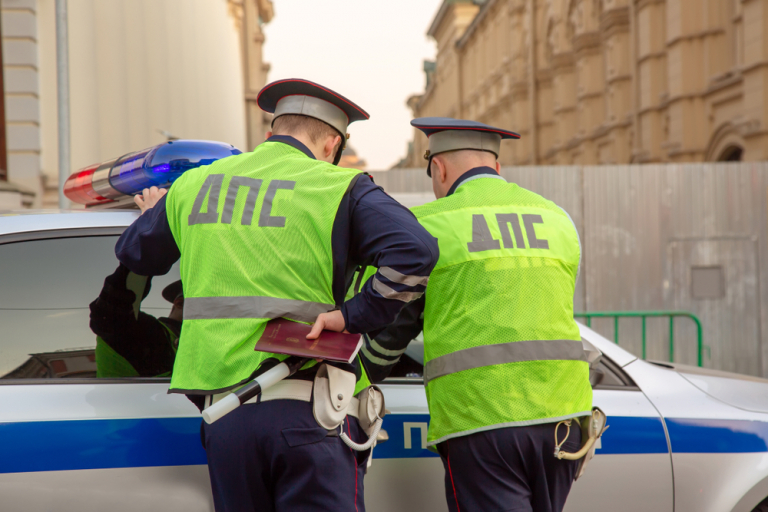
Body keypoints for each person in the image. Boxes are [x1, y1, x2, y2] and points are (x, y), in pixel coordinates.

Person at [114, 79, 438, 512]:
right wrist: (352, 316)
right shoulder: (336, 187)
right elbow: (416, 252)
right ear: (330, 145)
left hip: (224, 416)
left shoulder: (193, 186)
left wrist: (154, 213)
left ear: (270, 135)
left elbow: (134, 253)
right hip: (308, 412)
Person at [361, 117, 593, 512]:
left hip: (482, 420)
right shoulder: (558, 219)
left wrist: (358, 373)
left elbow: (389, 326)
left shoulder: (426, 225)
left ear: (439, 167)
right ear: (497, 167)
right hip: (565, 419)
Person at [89, 263, 182, 378]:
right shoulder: (147, 333)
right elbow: (110, 314)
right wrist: (143, 256)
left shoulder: (198, 342)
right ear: (180, 303)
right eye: (207, 301)